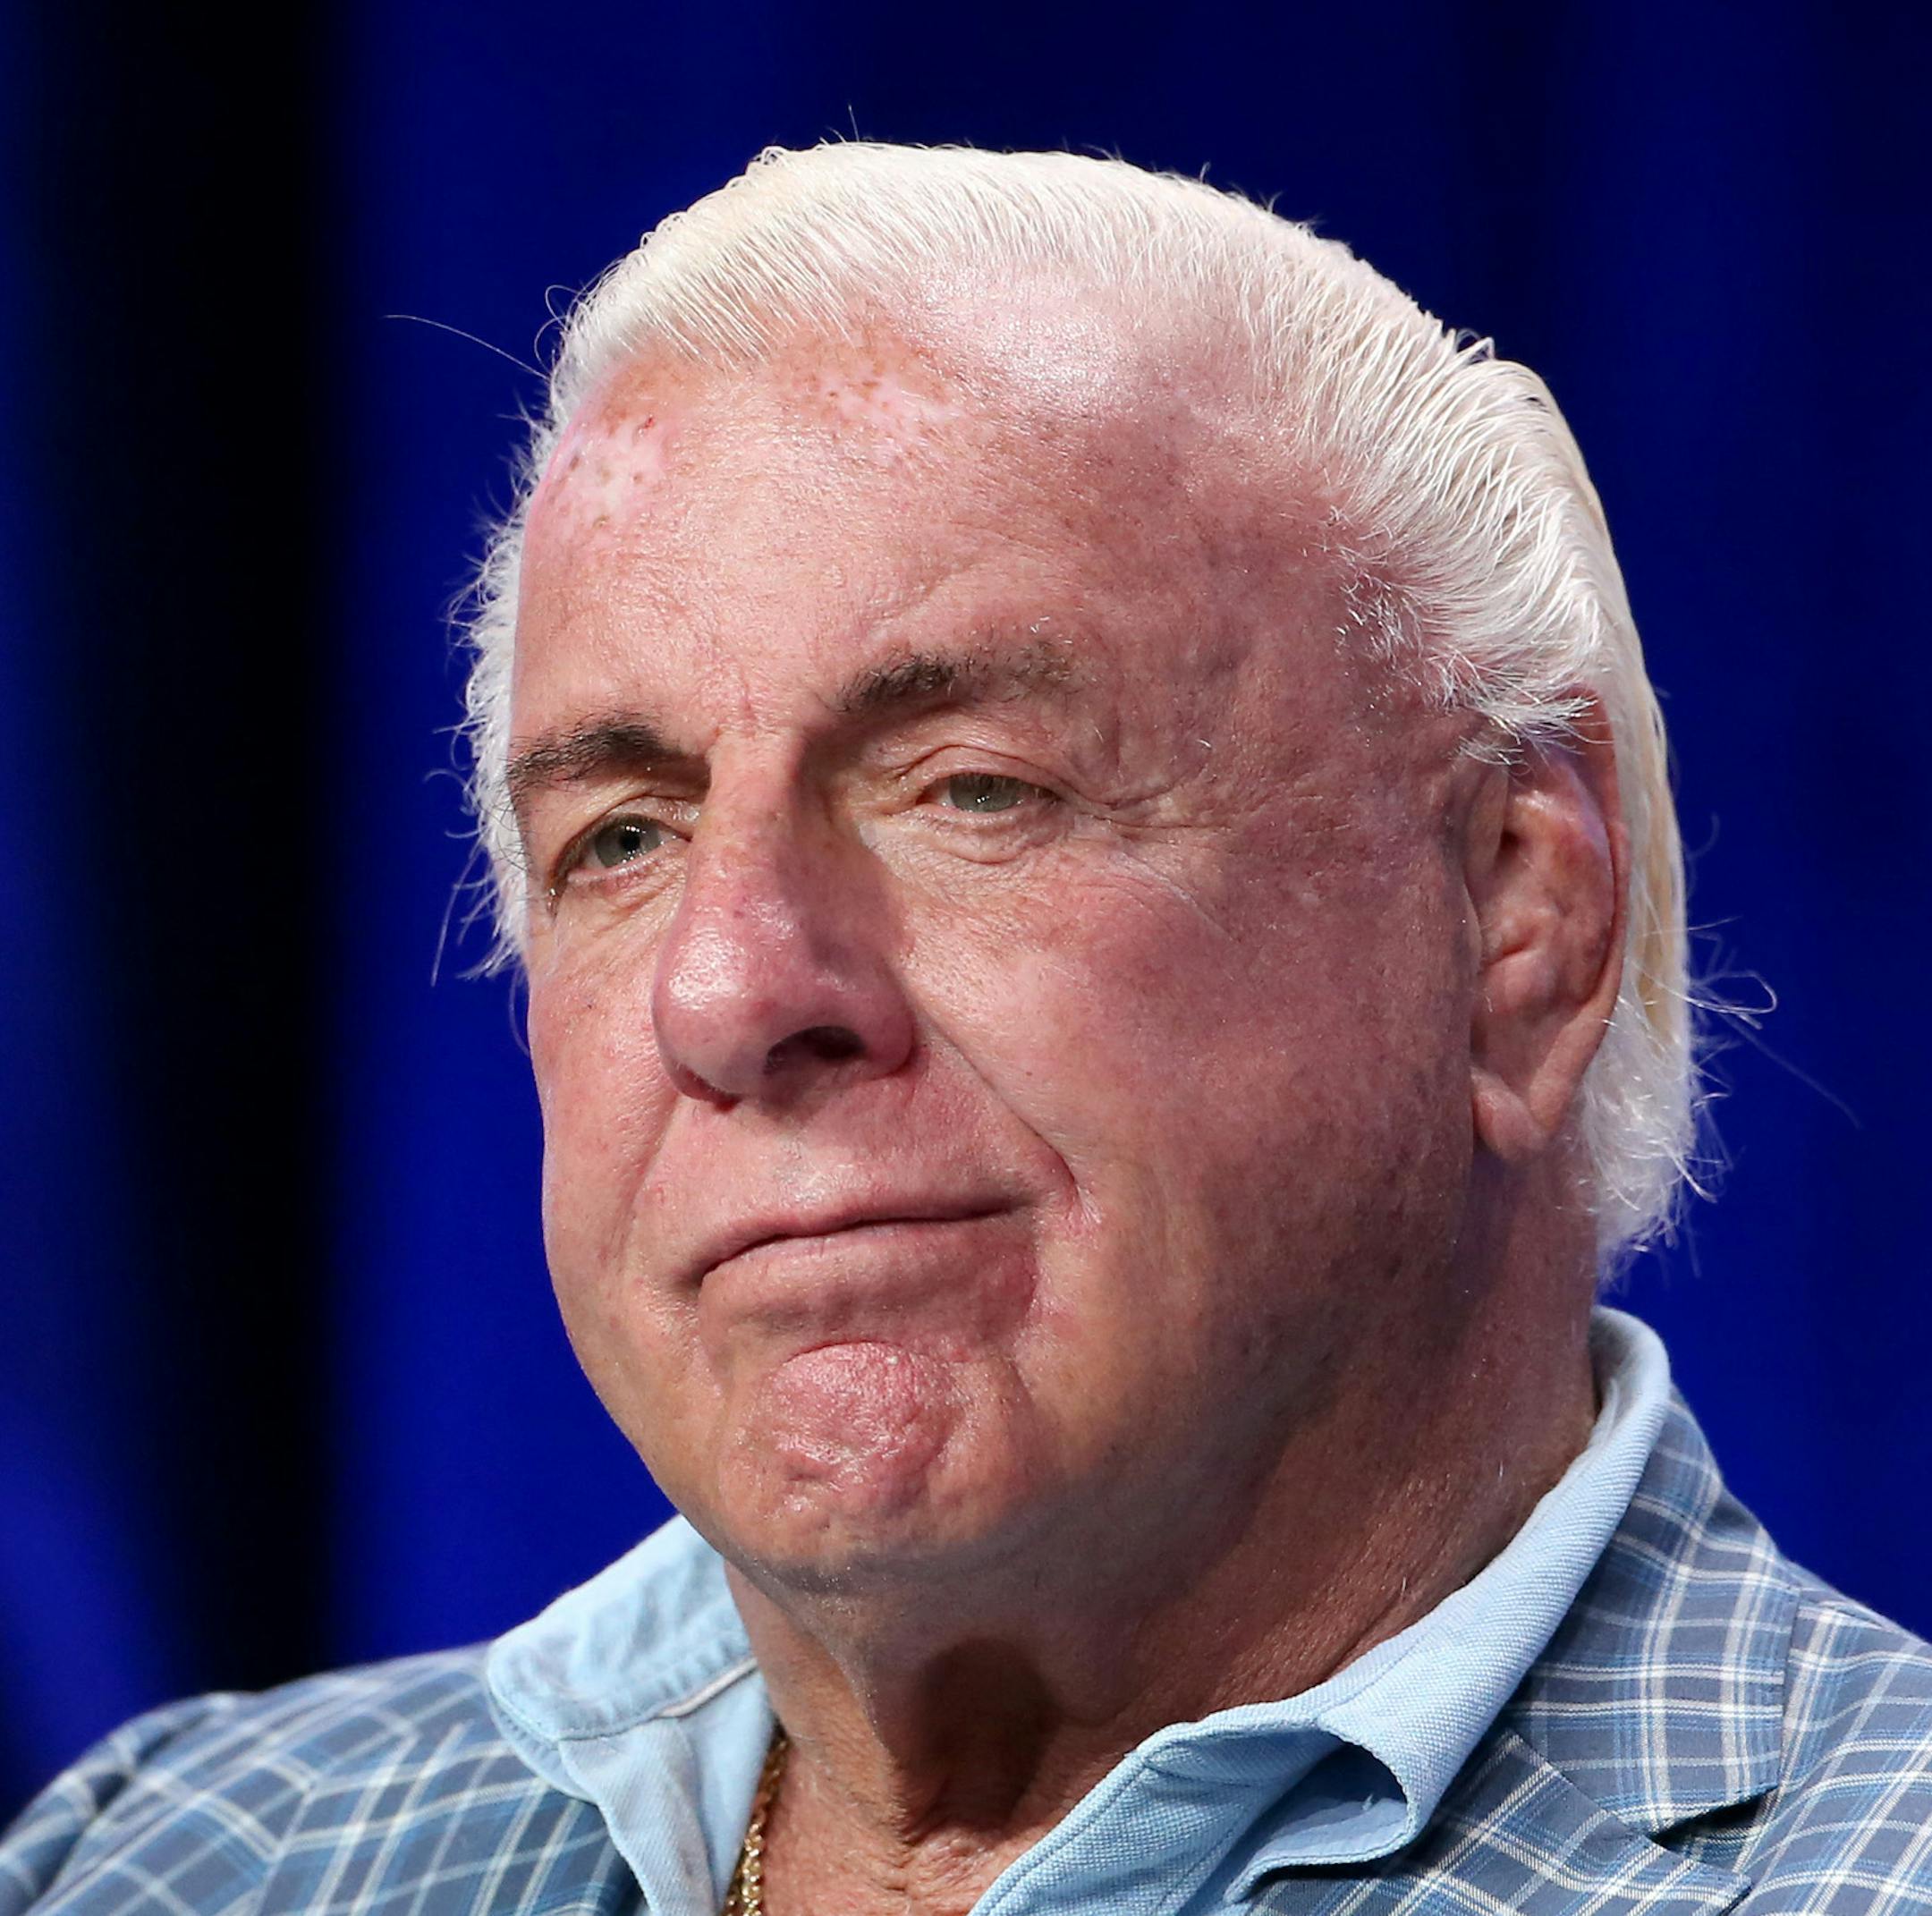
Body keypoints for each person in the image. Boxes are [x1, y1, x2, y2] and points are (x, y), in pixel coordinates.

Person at [5, 141, 1928, 1916]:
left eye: (975, 789)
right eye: (622, 836)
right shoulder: (178, 1862)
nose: (736, 992)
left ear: (1517, 918)